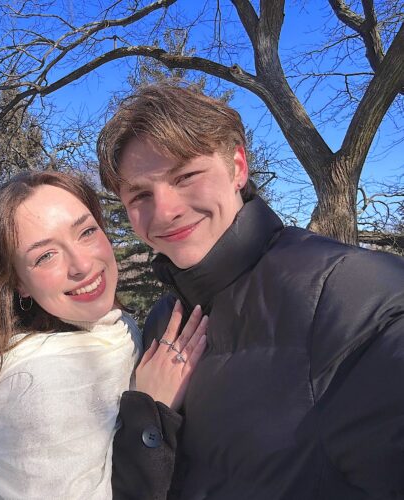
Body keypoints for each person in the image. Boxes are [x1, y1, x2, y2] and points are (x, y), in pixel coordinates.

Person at [97, 83, 404, 499]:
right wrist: (149, 417)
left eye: (185, 176)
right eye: (140, 195)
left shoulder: (355, 295)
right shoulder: (163, 323)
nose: (165, 211)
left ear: (237, 167)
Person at [0, 170, 207, 500]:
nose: (81, 265)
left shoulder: (112, 328)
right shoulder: (38, 385)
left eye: (86, 232)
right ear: (18, 282)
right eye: (45, 256)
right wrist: (152, 409)